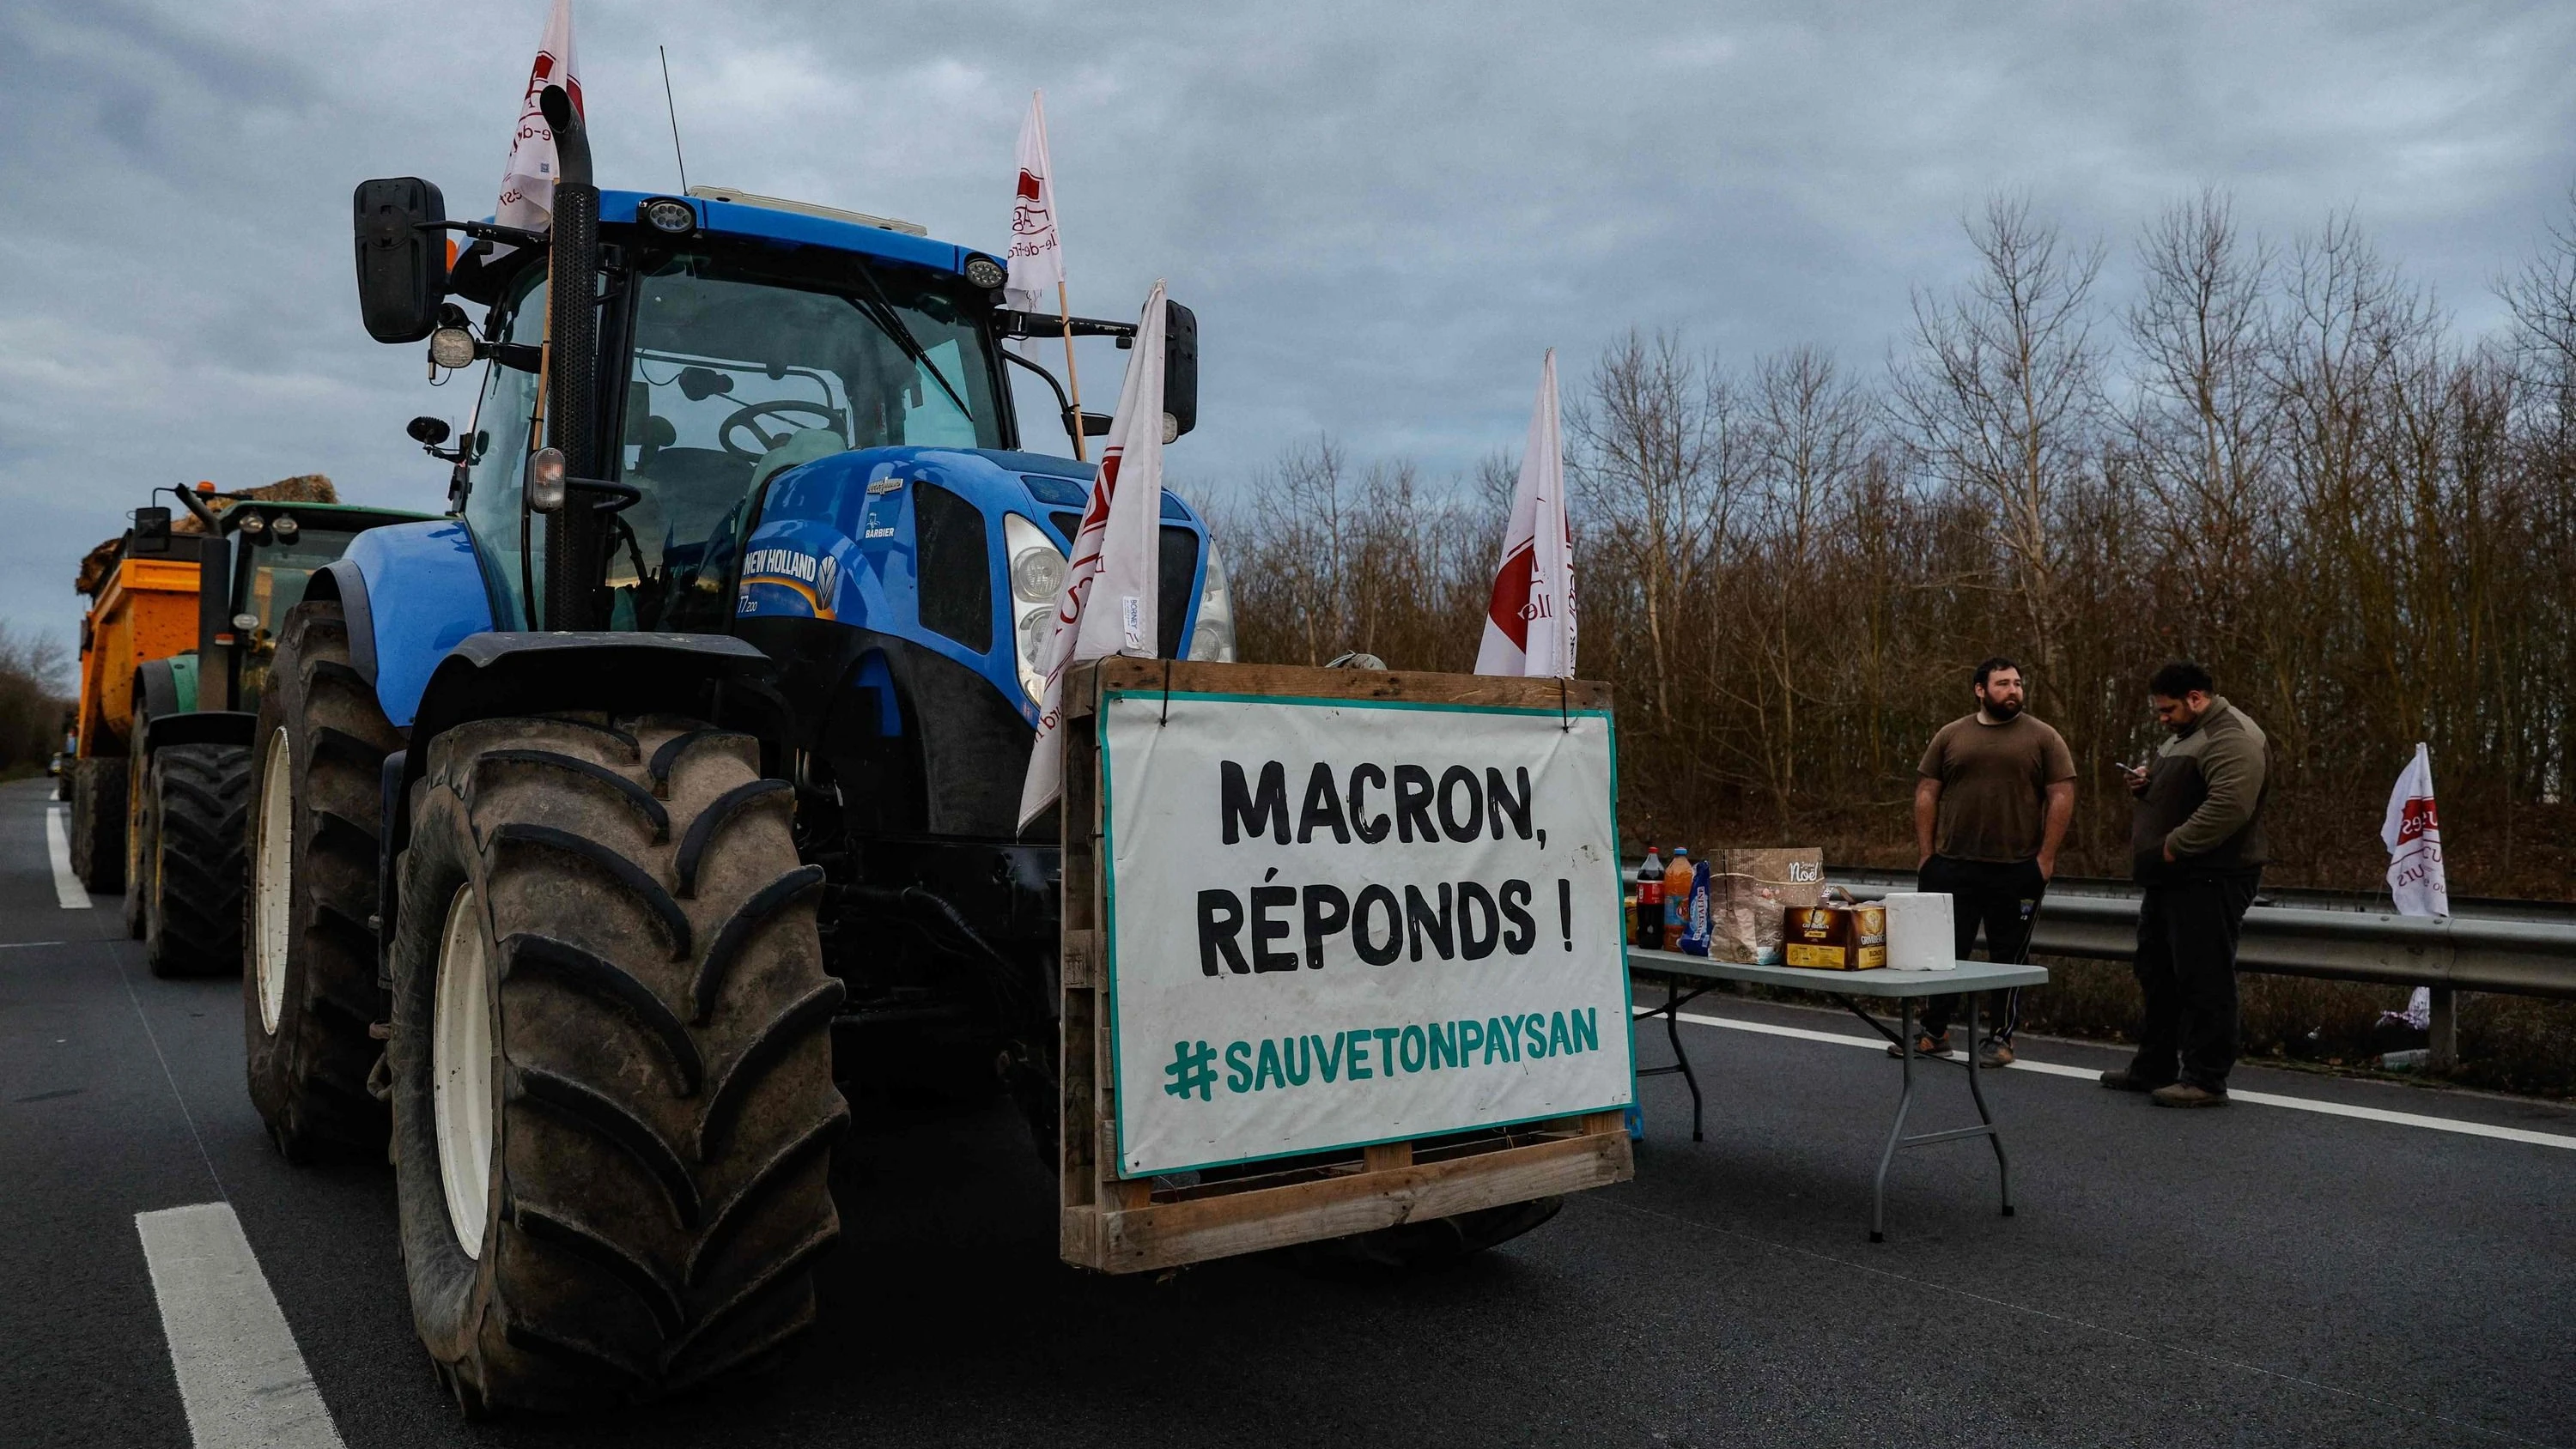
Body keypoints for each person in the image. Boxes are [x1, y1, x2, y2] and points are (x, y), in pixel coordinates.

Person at [2103, 661, 2270, 1107]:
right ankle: (2154, 1066)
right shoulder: (2186, 734)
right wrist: (2147, 784)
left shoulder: (2232, 736)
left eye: (2168, 709)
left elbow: (2229, 806)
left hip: (2210, 875)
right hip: (2172, 878)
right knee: (2157, 973)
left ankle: (2206, 1078)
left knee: (2203, 976)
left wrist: (2173, 847)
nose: (2162, 718)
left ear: (2196, 698)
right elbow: (2186, 789)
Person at [1903, 658, 2075, 1066]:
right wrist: (1927, 854)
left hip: (2016, 868)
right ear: (1980, 690)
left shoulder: (2043, 737)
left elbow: (2062, 795)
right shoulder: (1951, 735)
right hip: (1953, 865)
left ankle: (2001, 1038)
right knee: (1943, 955)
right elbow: (1927, 792)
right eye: (2003, 684)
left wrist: (2045, 858)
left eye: (2017, 683)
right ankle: (1935, 1032)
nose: (2013, 690)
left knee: (2008, 958)